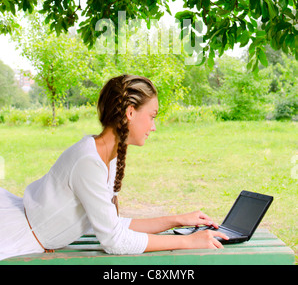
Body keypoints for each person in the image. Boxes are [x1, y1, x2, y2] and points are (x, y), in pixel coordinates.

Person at [0, 74, 227, 261]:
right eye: (152, 116)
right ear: (130, 113)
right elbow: (114, 241)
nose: (154, 126)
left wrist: (178, 220)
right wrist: (188, 241)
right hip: (13, 236)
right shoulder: (89, 161)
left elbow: (113, 226)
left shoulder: (108, 155)